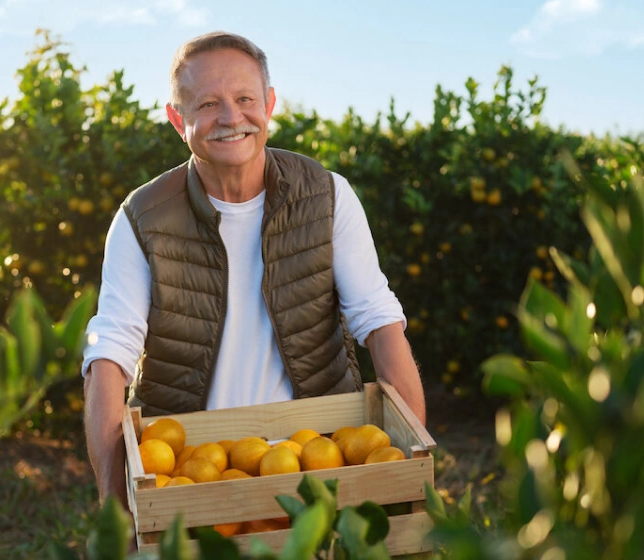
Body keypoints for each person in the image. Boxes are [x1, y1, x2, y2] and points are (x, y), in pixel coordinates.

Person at [82, 31, 426, 509]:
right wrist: (114, 507)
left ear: (269, 104)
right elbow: (109, 358)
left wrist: (414, 465)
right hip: (191, 472)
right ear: (176, 119)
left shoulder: (327, 196)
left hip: (319, 459)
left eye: (245, 98)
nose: (230, 117)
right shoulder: (142, 217)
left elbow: (380, 323)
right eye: (207, 104)